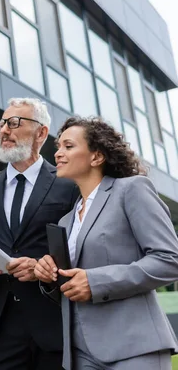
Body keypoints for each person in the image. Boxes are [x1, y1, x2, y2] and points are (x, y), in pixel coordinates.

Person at [34, 116, 178, 370]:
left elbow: (169, 260)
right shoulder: (66, 220)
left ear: (96, 157)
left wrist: (96, 281)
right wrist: (49, 277)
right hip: (80, 352)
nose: (57, 154)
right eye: (58, 147)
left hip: (134, 347)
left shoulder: (131, 190)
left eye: (68, 146)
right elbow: (71, 287)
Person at [0, 98, 79, 370]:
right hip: (0, 329)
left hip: (53, 324)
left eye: (15, 122)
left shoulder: (68, 184)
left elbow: (81, 248)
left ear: (41, 132)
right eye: (3, 123)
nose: (5, 130)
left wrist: (43, 267)